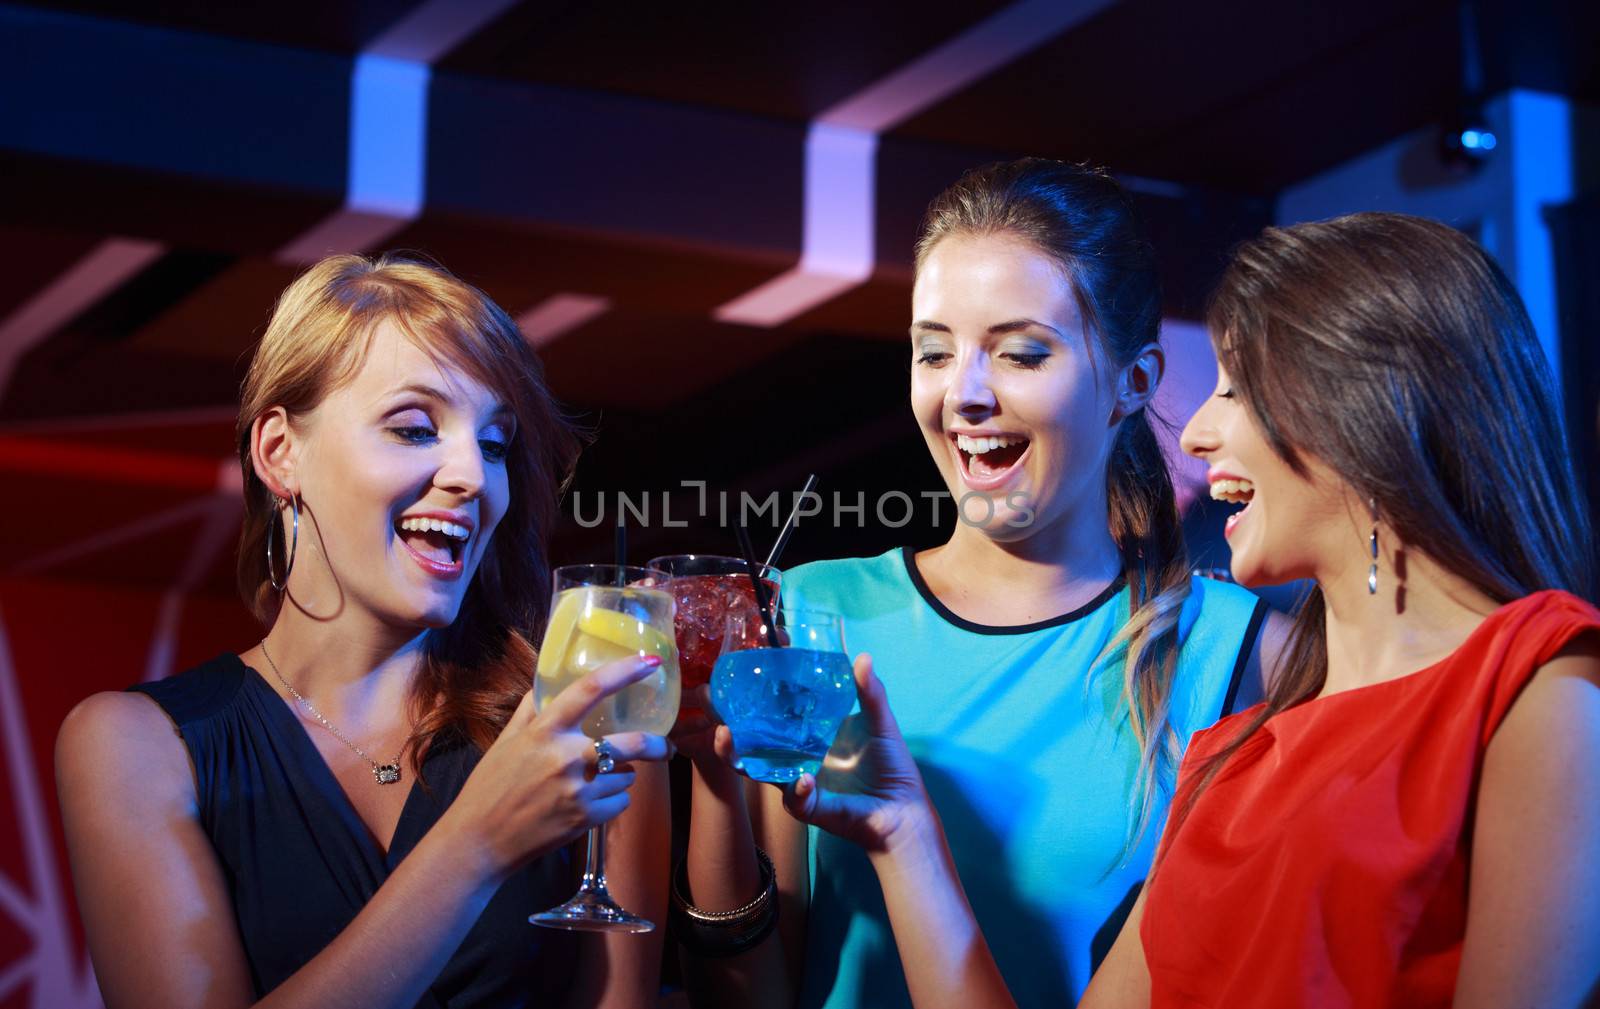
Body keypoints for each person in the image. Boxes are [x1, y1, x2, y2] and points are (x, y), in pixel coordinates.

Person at [739, 212, 1600, 1009]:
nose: (1191, 434)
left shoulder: (1546, 685)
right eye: (934, 351)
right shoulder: (1232, 759)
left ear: (1364, 408)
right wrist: (903, 831)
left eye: (1236, 389)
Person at [674, 159, 1285, 1008]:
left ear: (1133, 383)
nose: (963, 393)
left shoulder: (1236, 651)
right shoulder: (810, 611)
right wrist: (713, 780)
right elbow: (752, 995)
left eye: (1021, 353)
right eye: (934, 352)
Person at [55, 254, 674, 1009]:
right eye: (415, 428)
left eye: (494, 444)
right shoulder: (135, 743)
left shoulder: (577, 727)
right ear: (280, 453)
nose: (473, 477)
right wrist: (475, 843)